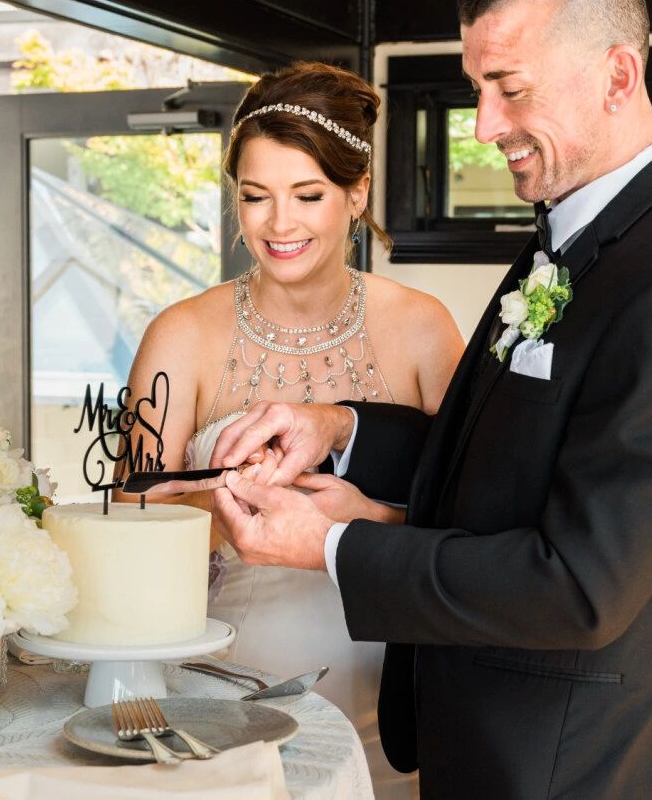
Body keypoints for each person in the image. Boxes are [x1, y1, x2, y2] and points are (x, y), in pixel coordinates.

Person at [188, 0, 652, 797]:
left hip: (570, 767)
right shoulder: (567, 236)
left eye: (512, 88)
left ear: (616, 75)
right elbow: (493, 457)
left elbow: (579, 586)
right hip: (486, 744)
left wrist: (335, 546)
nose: (484, 124)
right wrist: (341, 430)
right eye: (477, 89)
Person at [121, 61, 465, 797]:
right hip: (219, 695)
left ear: (357, 192)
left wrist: (367, 518)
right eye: (255, 196)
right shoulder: (181, 336)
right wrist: (223, 505)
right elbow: (128, 523)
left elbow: (476, 517)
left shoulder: (423, 331)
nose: (279, 224)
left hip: (385, 693)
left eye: (307, 195)